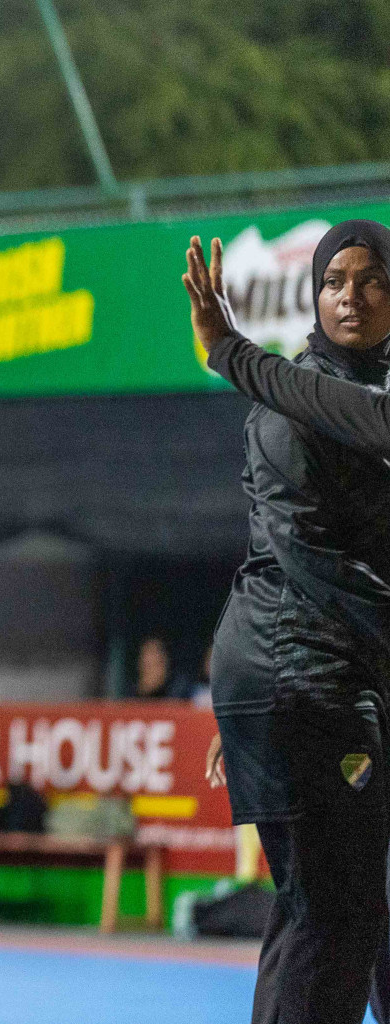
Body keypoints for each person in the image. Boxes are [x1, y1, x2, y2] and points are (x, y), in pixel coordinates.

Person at [186, 221, 390, 1024]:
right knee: (330, 911)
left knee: (353, 903)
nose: (352, 295)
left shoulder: (357, 400)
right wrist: (265, 704)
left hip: (336, 669)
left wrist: (232, 354)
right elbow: (299, 559)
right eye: (335, 281)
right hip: (302, 668)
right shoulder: (289, 413)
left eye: (371, 280)